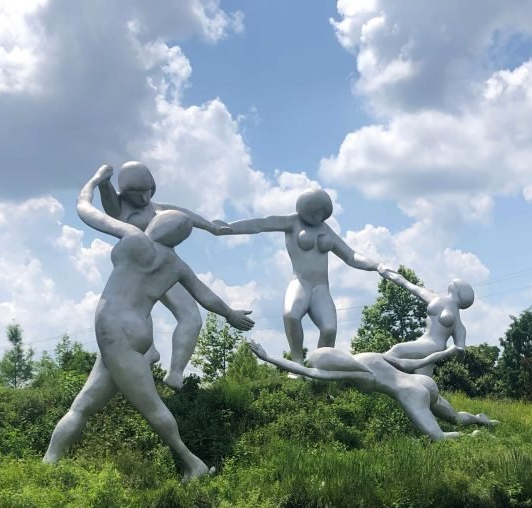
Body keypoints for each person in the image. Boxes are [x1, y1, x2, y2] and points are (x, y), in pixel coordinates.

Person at [43, 164, 254, 479]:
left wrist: (95, 181)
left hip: (116, 329)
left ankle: (191, 463)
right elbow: (205, 296)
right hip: (131, 333)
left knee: (150, 406)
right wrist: (230, 314)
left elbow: (84, 209)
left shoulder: (133, 239)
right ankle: (49, 465)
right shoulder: (175, 263)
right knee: (83, 405)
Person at [94, 161, 230, 390]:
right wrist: (103, 180)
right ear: (126, 193)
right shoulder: (119, 208)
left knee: (192, 317)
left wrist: (211, 227)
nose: (144, 199)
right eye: (137, 194)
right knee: (139, 308)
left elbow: (184, 215)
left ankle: (175, 372)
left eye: (146, 191)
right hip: (136, 273)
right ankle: (150, 351)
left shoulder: (157, 207)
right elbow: (105, 193)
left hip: (164, 269)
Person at [223, 189, 379, 364]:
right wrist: (227, 227)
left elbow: (350, 256)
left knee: (329, 329)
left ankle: (321, 366)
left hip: (321, 288)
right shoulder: (292, 222)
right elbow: (262, 224)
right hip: (301, 282)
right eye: (310, 212)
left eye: (318, 212)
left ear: (324, 212)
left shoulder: (327, 231)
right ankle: (297, 361)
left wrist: (377, 266)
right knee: (291, 316)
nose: (314, 216)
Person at [247, 341, 497, 440]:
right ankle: (479, 419)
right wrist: (446, 353)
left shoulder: (352, 371)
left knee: (438, 438)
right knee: (453, 417)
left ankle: (476, 435)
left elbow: (307, 372)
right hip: (421, 382)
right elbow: (411, 364)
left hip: (411, 394)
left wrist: (268, 357)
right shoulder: (367, 355)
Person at [377, 264, 476, 376]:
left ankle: (373, 367)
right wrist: (387, 273)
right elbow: (407, 284)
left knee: (398, 349)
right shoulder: (457, 323)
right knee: (423, 382)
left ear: (454, 289)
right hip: (425, 344)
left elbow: (460, 353)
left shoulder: (457, 323)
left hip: (432, 346)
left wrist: (454, 351)